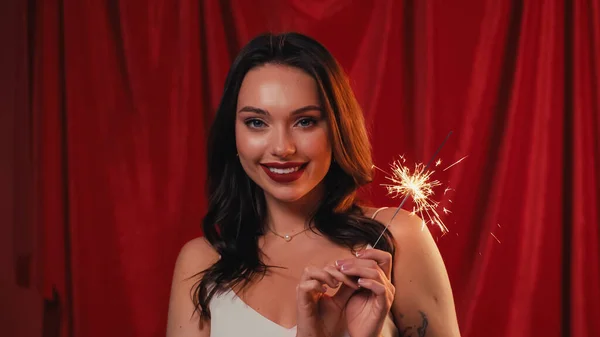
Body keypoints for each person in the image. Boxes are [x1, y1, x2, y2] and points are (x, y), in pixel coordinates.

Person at [166, 32, 460, 337]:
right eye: (257, 122)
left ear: (337, 127)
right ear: (233, 134)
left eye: (305, 121)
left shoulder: (397, 237)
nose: (282, 148)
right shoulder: (201, 264)